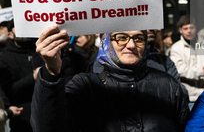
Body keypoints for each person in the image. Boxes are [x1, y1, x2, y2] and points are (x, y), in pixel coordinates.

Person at [31, 25, 189, 132]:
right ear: (106, 42)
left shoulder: (168, 85)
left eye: (139, 39)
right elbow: (47, 127)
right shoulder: (86, 86)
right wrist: (51, 72)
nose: (131, 45)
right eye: (121, 37)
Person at [0, 20, 44, 132]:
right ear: (10, 34)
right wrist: (33, 78)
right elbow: (9, 90)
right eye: (18, 27)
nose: (23, 30)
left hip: (47, 112)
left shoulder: (43, 52)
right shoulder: (4, 59)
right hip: (22, 117)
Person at [170, 15, 204, 107]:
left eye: (191, 27)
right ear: (180, 30)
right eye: (185, 28)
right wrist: (200, 71)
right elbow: (179, 70)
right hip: (188, 98)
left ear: (196, 27)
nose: (189, 31)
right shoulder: (176, 48)